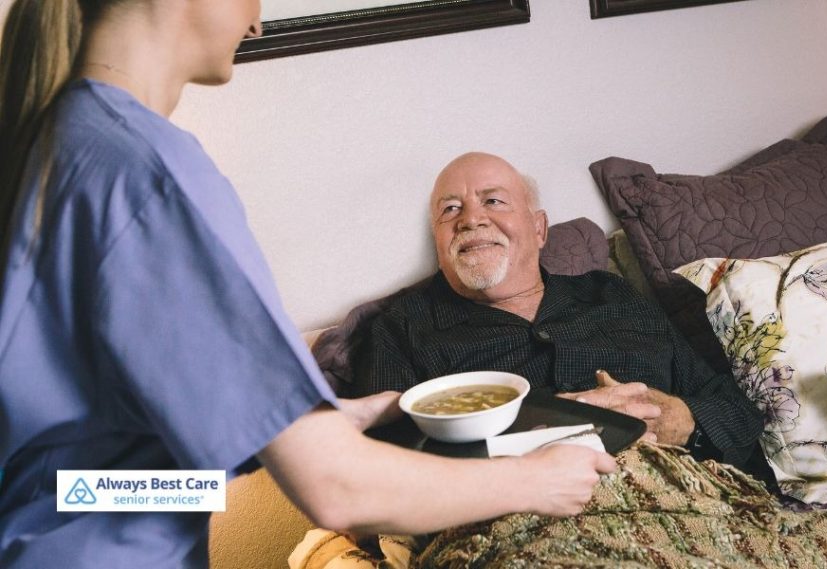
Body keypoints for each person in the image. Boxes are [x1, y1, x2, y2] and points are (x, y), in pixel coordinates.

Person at [0, 2, 617, 568]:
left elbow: (76, 485)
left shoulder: (59, 143)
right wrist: (537, 479)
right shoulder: (149, 173)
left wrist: (312, 425)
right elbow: (337, 491)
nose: (258, 22)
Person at [348, 152, 773, 476]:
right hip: (526, 512)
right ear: (439, 240)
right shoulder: (402, 328)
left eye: (493, 201)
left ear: (538, 229)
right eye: (450, 210)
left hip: (685, 489)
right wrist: (556, 421)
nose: (472, 219)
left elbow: (736, 410)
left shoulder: (612, 295)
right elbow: (379, 467)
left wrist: (682, 421)